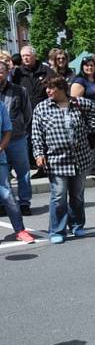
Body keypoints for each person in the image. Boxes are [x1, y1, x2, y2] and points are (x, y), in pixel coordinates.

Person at [31, 75, 95, 244]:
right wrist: (39, 154)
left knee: (77, 195)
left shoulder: (78, 103)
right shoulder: (42, 108)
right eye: (47, 88)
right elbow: (36, 134)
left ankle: (77, 225)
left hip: (80, 158)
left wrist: (87, 129)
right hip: (57, 160)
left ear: (62, 89)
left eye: (51, 87)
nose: (48, 91)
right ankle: (57, 230)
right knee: (58, 195)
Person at [13, 45, 53, 178]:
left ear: (34, 56)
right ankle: (35, 164)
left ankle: (45, 168)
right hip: (25, 112)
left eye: (28, 55)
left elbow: (54, 87)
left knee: (45, 140)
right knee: (31, 140)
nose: (25, 58)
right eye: (23, 56)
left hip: (44, 111)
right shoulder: (17, 73)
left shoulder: (45, 70)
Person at [0, 59, 33, 217]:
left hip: (17, 138)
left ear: (7, 73)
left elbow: (27, 115)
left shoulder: (20, 91)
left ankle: (25, 202)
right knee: (2, 174)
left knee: (23, 172)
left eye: (1, 71)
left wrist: (19, 128)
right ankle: (3, 204)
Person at [0, 98, 35, 243]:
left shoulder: (1, 105)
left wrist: (1, 147)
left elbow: (7, 130)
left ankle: (20, 230)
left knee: (7, 195)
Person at [71, 56, 95, 174]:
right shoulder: (80, 81)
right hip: (88, 119)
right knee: (93, 142)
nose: (89, 67)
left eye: (91, 65)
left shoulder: (94, 80)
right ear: (82, 67)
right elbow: (75, 101)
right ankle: (92, 168)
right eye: (86, 65)